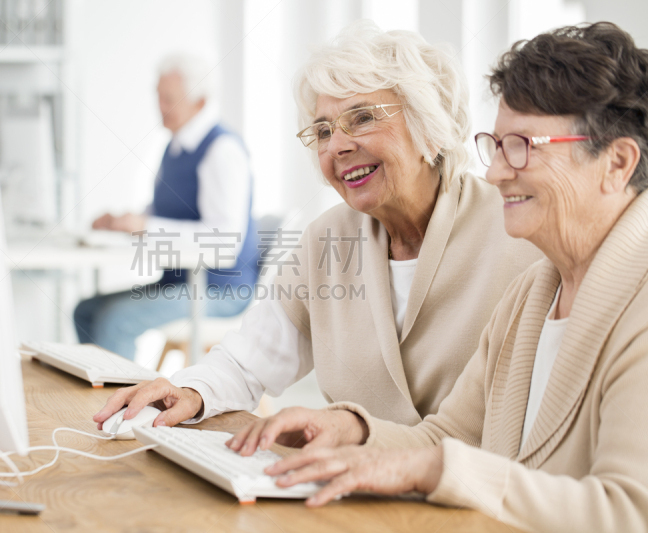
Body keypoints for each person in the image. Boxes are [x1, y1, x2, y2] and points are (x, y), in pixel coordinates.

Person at [229, 22, 648, 533]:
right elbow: (450, 437)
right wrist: (351, 429)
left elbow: (630, 511)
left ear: (617, 162)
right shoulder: (532, 297)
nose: (494, 172)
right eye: (495, 146)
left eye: (522, 146)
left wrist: (434, 470)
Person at [93, 21, 541, 431]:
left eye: (363, 118)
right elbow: (251, 360)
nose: (338, 146)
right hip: (348, 496)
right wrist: (190, 390)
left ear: (431, 126)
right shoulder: (327, 240)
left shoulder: (520, 233)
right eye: (323, 131)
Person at [74, 54, 259, 361]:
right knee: (87, 311)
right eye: (158, 97)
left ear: (199, 103)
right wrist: (126, 221)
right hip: (179, 282)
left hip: (218, 291)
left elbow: (224, 241)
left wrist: (146, 227)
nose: (160, 107)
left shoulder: (221, 151)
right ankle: (95, 394)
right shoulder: (174, 148)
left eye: (169, 99)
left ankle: (117, 406)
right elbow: (171, 210)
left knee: (116, 320)